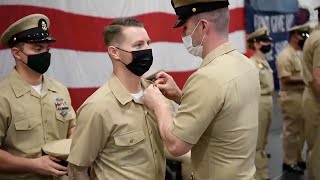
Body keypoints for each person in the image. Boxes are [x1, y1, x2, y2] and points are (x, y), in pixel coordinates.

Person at [143, 0, 260, 179]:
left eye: (186, 27)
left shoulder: (206, 78)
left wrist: (160, 105)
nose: (184, 34)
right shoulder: (246, 64)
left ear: (203, 26)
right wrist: (180, 96)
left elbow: (176, 145)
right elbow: (224, 111)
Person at [67, 18, 166, 180]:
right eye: (138, 45)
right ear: (114, 52)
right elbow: (78, 170)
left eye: (148, 43)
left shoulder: (156, 94)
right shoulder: (98, 107)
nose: (147, 49)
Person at [0, 14, 76, 180]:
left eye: (47, 49)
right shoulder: (2, 96)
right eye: (37, 49)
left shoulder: (60, 90)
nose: (45, 54)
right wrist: (33, 165)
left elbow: (72, 127)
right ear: (17, 53)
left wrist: (70, 146)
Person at [276, 24, 310, 175]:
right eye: (303, 35)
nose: (305, 38)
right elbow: (285, 78)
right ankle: (288, 162)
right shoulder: (286, 55)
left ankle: (298, 158)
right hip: (291, 96)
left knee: (302, 131)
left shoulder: (301, 54)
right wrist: (306, 79)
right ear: (294, 35)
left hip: (302, 96)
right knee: (291, 132)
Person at [247, 27, 274, 180]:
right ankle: (259, 175)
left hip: (268, 101)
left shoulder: (264, 62)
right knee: (257, 143)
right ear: (256, 44)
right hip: (259, 103)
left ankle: (263, 172)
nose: (267, 44)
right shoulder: (252, 64)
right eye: (264, 41)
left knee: (264, 140)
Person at [301, 5, 320, 180]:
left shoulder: (314, 35)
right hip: (316, 99)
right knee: (317, 150)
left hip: (312, 97)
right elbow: (317, 78)